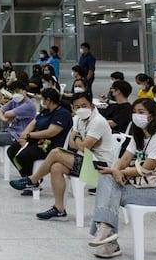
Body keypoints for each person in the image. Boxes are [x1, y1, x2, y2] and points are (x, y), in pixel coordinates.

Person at [89, 98, 156, 259]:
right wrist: (116, 170)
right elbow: (124, 160)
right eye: (134, 112)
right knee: (107, 181)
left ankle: (108, 236)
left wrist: (118, 172)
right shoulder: (138, 136)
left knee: (110, 193)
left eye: (141, 112)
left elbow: (146, 169)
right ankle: (106, 230)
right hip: (145, 185)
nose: (136, 116)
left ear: (152, 116)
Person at [14, 91, 116, 221]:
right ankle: (59, 209)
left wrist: (79, 140)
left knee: (56, 152)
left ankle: (33, 180)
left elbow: (83, 147)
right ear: (73, 108)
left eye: (84, 105)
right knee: (56, 167)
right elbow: (73, 144)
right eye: (77, 107)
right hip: (85, 160)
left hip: (100, 166)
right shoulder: (78, 119)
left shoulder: (98, 121)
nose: (81, 109)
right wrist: (81, 141)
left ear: (91, 105)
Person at [7, 88, 73, 187]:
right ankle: (29, 178)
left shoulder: (62, 113)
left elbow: (50, 133)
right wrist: (23, 136)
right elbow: (33, 123)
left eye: (42, 99)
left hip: (51, 145)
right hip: (37, 140)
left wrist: (29, 135)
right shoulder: (45, 111)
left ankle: (32, 181)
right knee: (12, 150)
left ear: (48, 100)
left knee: (23, 156)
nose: (41, 101)